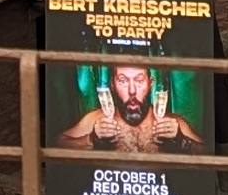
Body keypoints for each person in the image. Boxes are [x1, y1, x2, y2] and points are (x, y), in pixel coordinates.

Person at [56, 62, 198, 153]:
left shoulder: (171, 125)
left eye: (139, 80)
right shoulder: (97, 121)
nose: (132, 90)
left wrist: (182, 141)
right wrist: (90, 140)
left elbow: (209, 153)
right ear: (113, 85)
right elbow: (56, 145)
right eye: (123, 80)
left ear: (150, 84)